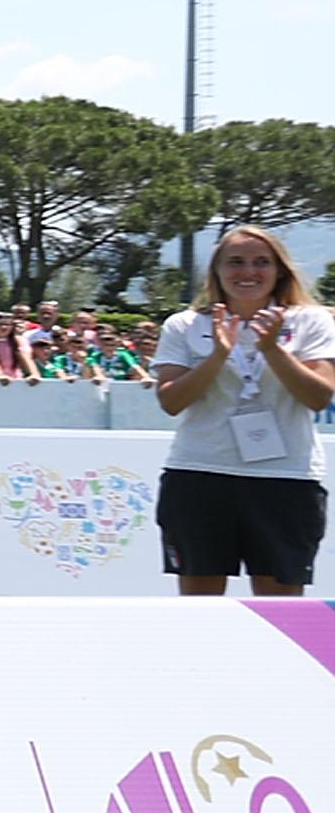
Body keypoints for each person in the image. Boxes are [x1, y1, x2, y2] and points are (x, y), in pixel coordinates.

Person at [151, 225, 335, 597]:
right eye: (235, 262)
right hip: (199, 473)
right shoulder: (185, 325)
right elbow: (171, 401)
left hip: (286, 477)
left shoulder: (310, 321)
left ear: (279, 270)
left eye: (261, 262)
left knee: (280, 611)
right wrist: (218, 356)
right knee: (200, 609)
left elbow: (319, 396)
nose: (247, 272)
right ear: (216, 271)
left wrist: (272, 349)